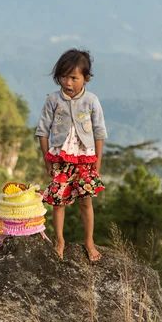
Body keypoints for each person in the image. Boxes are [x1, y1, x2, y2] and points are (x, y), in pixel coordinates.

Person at [35, 48, 107, 262]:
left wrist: (98, 163)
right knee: (59, 202)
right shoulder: (53, 100)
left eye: (74, 78)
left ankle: (89, 242)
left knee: (86, 201)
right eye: (63, 77)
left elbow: (99, 133)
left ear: (86, 78)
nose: (68, 83)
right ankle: (59, 240)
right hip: (60, 159)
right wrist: (47, 158)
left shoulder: (92, 101)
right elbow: (42, 131)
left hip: (85, 159)